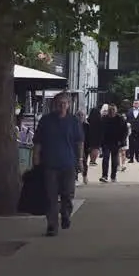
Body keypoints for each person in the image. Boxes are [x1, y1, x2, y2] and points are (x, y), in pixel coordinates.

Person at [32, 93, 84, 236]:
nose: (62, 106)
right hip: (50, 163)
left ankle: (66, 214)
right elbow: (38, 141)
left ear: (68, 105)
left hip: (68, 163)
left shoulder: (73, 121)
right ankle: (52, 225)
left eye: (65, 103)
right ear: (55, 104)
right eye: (59, 103)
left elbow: (79, 142)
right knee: (50, 196)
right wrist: (36, 157)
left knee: (67, 193)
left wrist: (80, 159)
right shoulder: (46, 121)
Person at [100, 104, 129, 183]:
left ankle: (113, 176)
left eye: (113, 110)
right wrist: (101, 141)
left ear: (116, 111)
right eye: (110, 110)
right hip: (106, 142)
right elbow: (100, 130)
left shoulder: (120, 119)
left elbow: (125, 131)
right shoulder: (104, 119)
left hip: (116, 142)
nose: (111, 111)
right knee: (105, 158)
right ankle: (104, 175)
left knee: (114, 159)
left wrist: (122, 141)